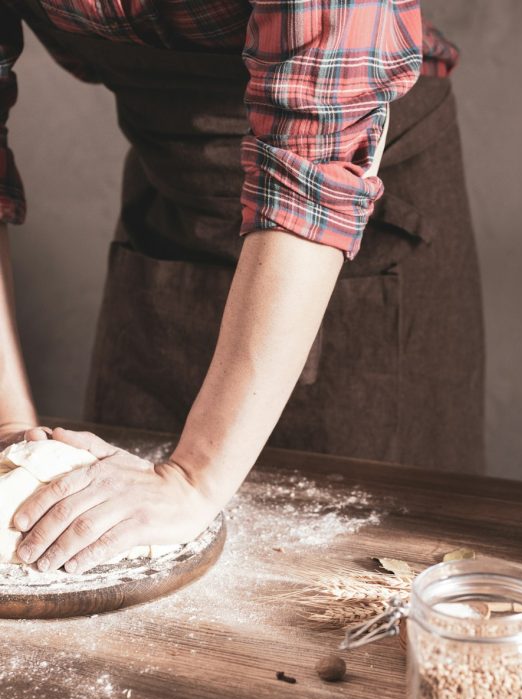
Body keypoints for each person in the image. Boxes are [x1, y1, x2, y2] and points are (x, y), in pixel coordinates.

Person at [0, 0, 484, 573]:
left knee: (359, 568)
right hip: (175, 202)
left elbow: (314, 168)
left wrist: (192, 479)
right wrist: (13, 436)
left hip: (363, 210)